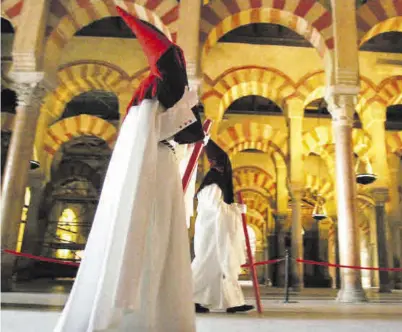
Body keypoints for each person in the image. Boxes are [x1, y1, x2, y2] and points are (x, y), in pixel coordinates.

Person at [54, 7, 204, 332]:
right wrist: (192, 113)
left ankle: (153, 315)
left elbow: (180, 129)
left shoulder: (150, 94)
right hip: (155, 170)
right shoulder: (157, 91)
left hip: (159, 167)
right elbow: (188, 132)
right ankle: (140, 318)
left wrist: (191, 115)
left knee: (159, 239)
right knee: (152, 238)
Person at [191, 139, 254, 314]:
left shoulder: (216, 182)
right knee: (206, 266)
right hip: (212, 235)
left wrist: (235, 208)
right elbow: (217, 209)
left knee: (223, 268)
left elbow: (221, 207)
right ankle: (191, 299)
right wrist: (235, 210)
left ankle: (233, 303)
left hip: (216, 234)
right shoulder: (213, 182)